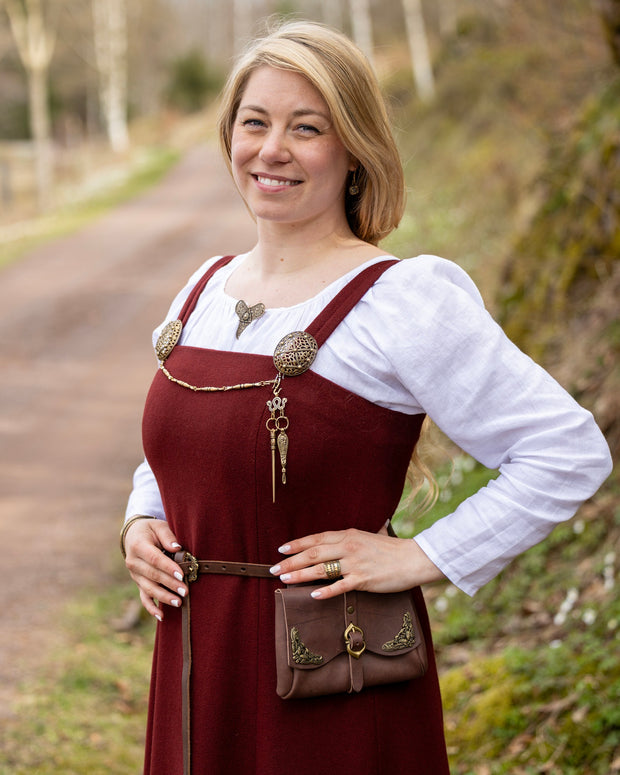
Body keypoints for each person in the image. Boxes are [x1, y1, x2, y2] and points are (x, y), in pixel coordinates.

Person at [121, 20, 612, 775]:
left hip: (331, 676)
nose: (272, 149)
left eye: (306, 128)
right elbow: (182, 447)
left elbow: (565, 450)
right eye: (255, 122)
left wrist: (421, 555)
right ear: (229, 136)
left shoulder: (402, 300)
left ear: (354, 150)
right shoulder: (203, 289)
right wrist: (142, 519)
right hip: (196, 661)